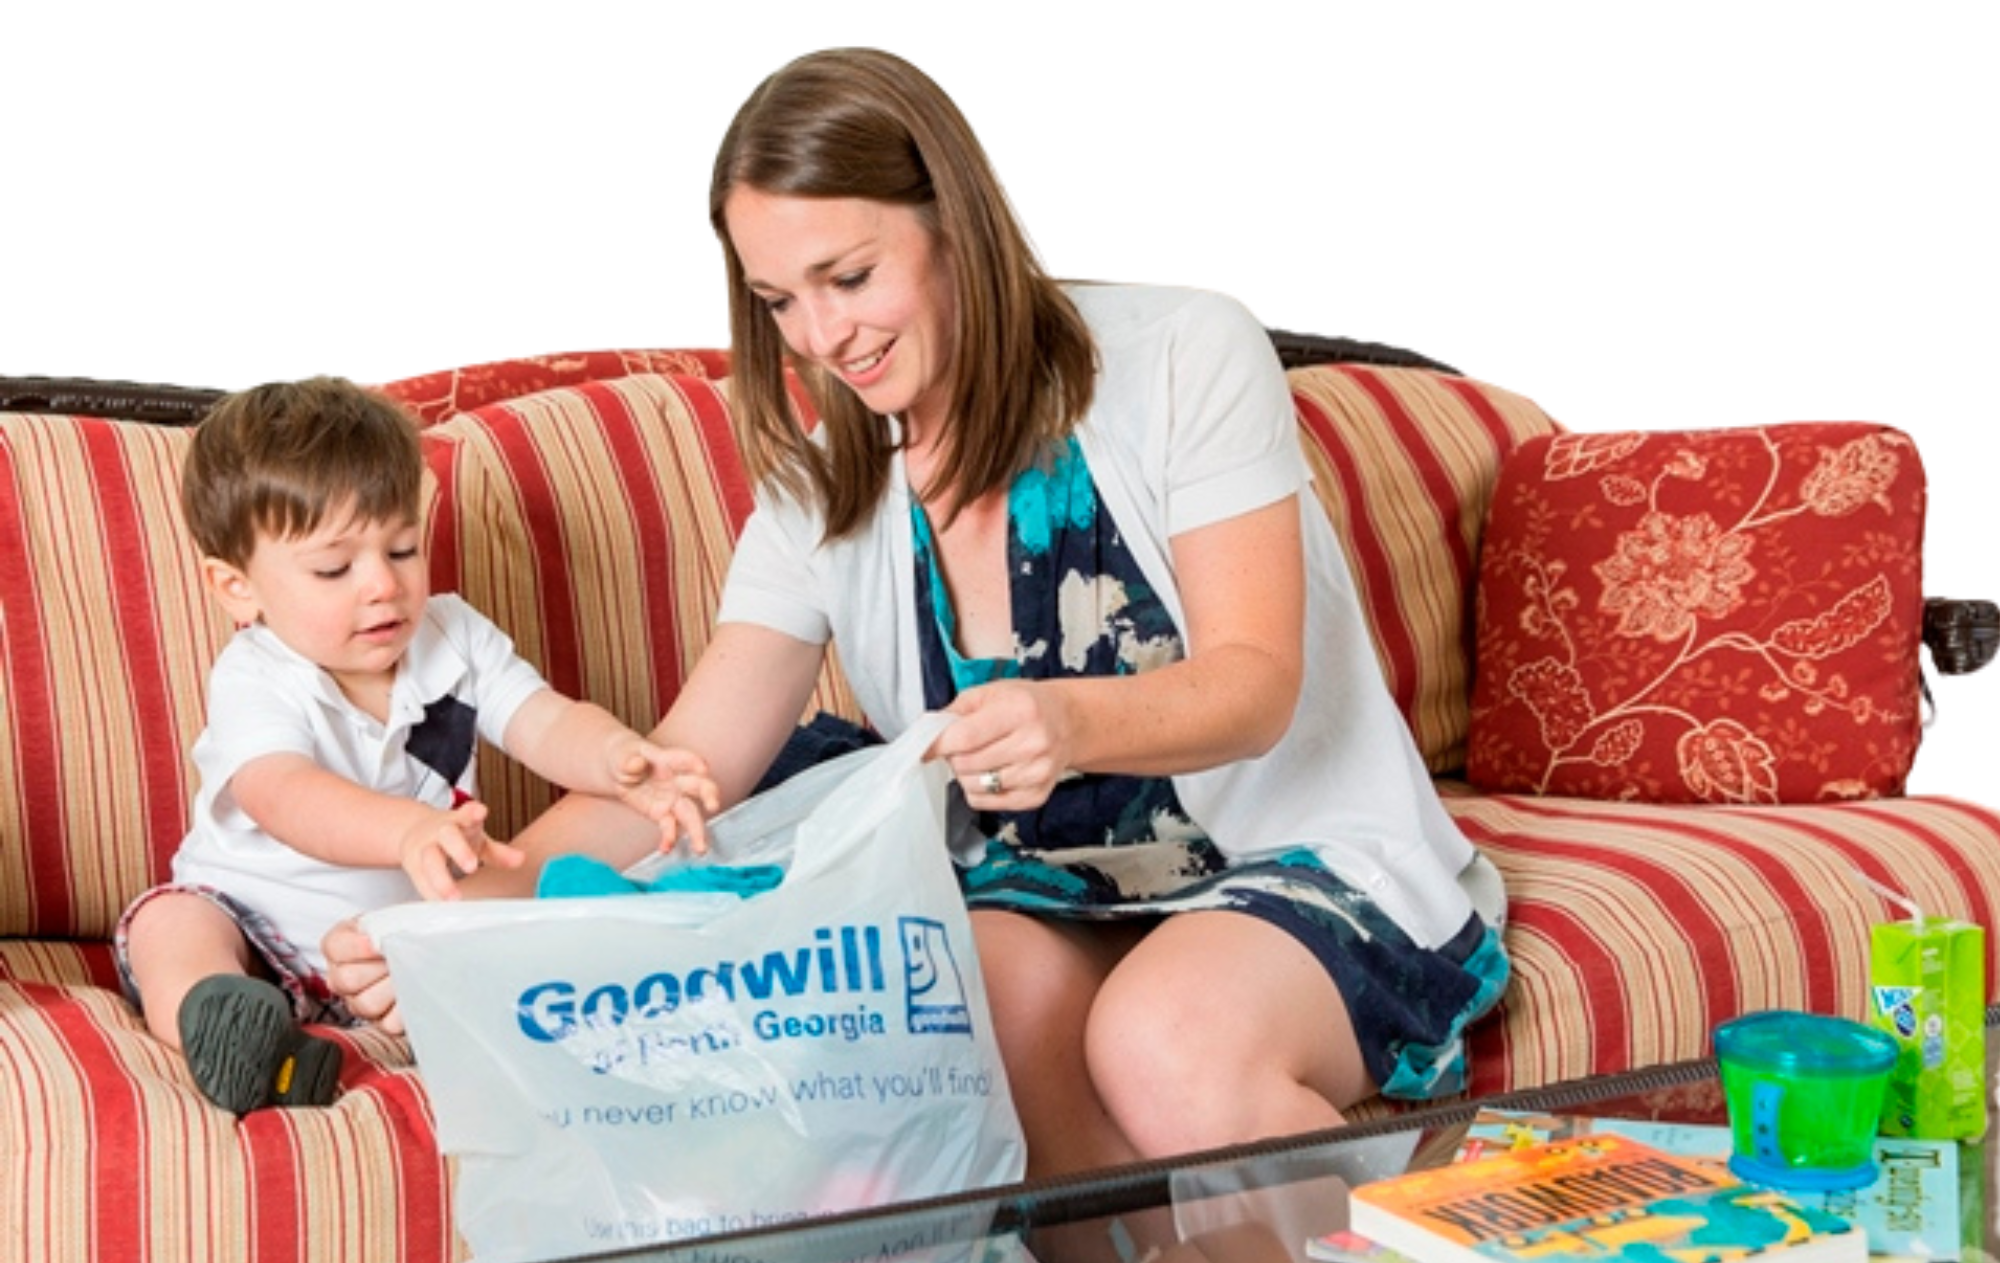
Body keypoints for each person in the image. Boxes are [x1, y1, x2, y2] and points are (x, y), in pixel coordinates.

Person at [324, 47, 1510, 1176]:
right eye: (779, 300)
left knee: (1165, 1035)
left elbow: (1256, 683)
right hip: (1051, 892)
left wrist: (1073, 723)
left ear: (957, 224)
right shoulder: (823, 479)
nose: (823, 337)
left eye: (849, 278)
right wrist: (478, 907)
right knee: (956, 1002)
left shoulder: (1182, 353)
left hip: (1297, 858)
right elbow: (687, 768)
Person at [119, 377, 718, 1115]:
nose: (383, 585)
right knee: (168, 923)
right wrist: (405, 830)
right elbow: (281, 792)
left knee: (486, 962)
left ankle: (323, 1048)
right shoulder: (259, 672)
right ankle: (222, 1025)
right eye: (334, 568)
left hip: (389, 948)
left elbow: (542, 719)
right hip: (247, 923)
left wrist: (619, 757)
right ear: (238, 588)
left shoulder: (453, 635)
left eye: (402, 548)